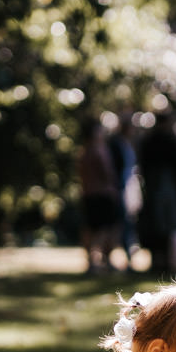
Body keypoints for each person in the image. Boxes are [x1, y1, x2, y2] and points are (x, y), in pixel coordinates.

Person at [137, 112, 176, 274]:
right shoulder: (169, 141)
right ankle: (163, 260)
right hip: (163, 187)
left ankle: (159, 260)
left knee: (158, 225)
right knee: (162, 224)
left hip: (156, 187)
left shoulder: (149, 141)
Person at [77, 117, 121, 273]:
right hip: (102, 194)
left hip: (89, 194)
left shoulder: (83, 151)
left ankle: (94, 261)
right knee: (104, 229)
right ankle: (101, 260)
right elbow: (107, 173)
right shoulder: (98, 150)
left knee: (92, 228)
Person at [107, 110, 142, 269]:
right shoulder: (116, 144)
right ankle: (111, 258)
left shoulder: (128, 144)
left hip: (130, 187)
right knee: (119, 223)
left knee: (128, 222)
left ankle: (128, 258)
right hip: (121, 187)